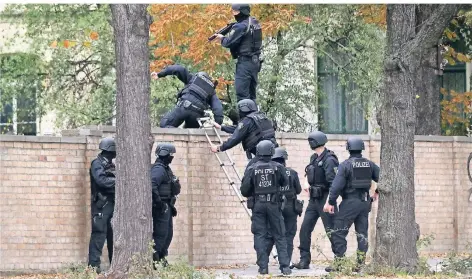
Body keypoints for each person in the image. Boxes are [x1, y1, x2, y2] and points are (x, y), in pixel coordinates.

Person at [323, 137, 379, 272]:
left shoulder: (345, 165)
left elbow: (336, 186)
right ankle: (360, 265)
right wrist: (377, 192)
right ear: (362, 148)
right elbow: (383, 178)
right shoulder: (370, 164)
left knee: (338, 232)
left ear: (348, 148)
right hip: (365, 203)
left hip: (350, 202)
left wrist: (331, 202)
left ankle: (339, 263)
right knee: (362, 234)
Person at [240, 140, 291, 275]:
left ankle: (263, 267)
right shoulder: (278, 167)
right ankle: (285, 267)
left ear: (258, 152)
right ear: (272, 152)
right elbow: (285, 183)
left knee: (260, 235)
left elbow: (244, 191)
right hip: (274, 204)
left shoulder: (252, 168)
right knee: (279, 235)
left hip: (258, 205)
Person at [291, 131, 339, 270]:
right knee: (305, 229)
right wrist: (306, 182)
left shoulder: (330, 159)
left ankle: (339, 261)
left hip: (325, 198)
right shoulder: (314, 157)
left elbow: (333, 183)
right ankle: (304, 261)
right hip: (313, 200)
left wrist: (329, 202)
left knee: (331, 231)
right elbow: (308, 172)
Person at [212, 4, 262, 102]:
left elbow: (228, 42)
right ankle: (254, 116)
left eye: (236, 11)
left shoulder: (240, 26)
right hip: (256, 62)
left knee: (242, 96)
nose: (233, 13)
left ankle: (246, 117)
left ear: (242, 11)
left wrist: (222, 38)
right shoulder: (254, 22)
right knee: (252, 96)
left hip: (245, 63)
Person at [210, 99, 277, 168]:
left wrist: (219, 148)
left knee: (250, 174)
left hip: (259, 154)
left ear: (243, 109)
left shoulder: (247, 120)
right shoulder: (261, 117)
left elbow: (235, 138)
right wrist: (222, 127)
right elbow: (240, 129)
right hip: (273, 152)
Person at [152, 64, 224, 128]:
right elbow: (218, 109)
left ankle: (177, 137)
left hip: (184, 107)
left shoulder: (192, 78)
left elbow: (178, 68)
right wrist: (218, 124)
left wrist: (159, 74)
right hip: (197, 115)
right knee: (191, 132)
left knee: (165, 124)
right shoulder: (212, 91)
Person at [265, 147, 303, 263]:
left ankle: (263, 261)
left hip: (275, 206)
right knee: (289, 235)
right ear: (284, 160)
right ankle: (287, 263)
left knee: (272, 234)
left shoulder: (269, 172)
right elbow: (298, 190)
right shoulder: (292, 172)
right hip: (290, 207)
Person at [87, 137, 116, 274]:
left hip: (112, 205)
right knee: (99, 235)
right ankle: (93, 267)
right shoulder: (97, 164)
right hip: (101, 205)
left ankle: (114, 265)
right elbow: (102, 181)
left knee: (113, 237)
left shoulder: (111, 165)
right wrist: (117, 181)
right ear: (110, 151)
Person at [151, 143, 181, 267]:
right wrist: (159, 204)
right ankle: (155, 261)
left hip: (167, 205)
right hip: (161, 206)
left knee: (168, 234)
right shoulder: (158, 169)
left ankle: (162, 259)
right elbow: (152, 185)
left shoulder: (165, 168)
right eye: (171, 154)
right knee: (161, 234)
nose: (172, 157)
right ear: (165, 153)